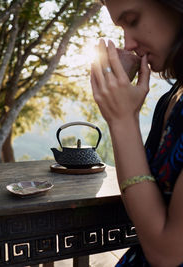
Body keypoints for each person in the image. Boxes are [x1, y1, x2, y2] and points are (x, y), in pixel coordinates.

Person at [90, 0, 183, 266]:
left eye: (132, 20)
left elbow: (168, 254)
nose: (128, 43)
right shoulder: (172, 98)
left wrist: (122, 120)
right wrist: (121, 115)